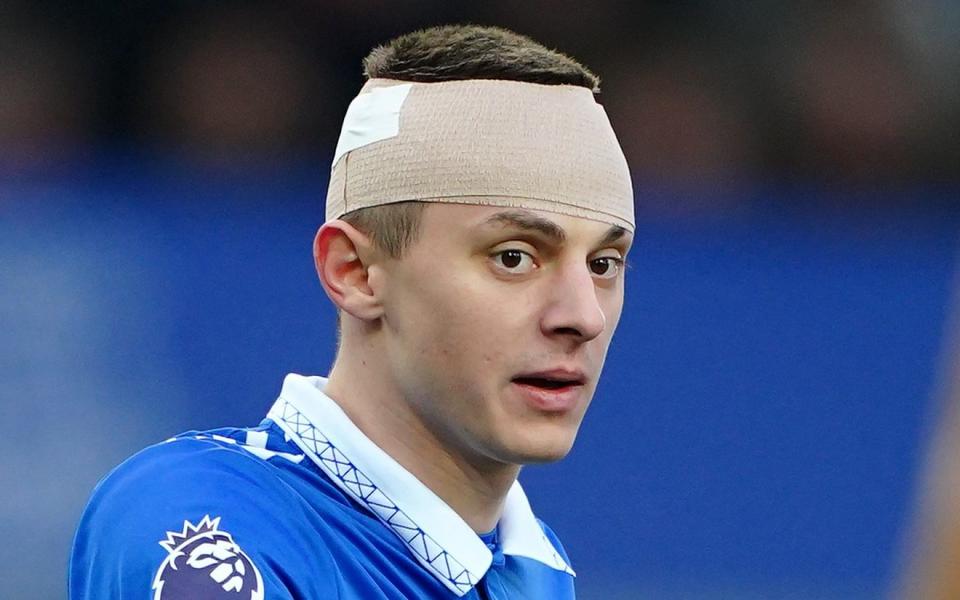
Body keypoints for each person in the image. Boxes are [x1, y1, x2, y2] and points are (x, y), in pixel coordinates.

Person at [69, 24, 634, 599]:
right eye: (514, 257)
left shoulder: (537, 570)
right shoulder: (203, 517)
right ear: (354, 272)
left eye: (604, 264)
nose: (583, 316)